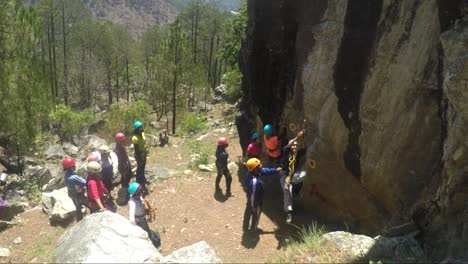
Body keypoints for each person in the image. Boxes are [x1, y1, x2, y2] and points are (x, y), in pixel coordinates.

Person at [242, 158, 282, 232]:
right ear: (255, 169)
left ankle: (245, 226)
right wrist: (254, 206)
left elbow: (265, 171)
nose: (261, 165)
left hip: (250, 199)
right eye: (259, 165)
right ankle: (254, 228)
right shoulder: (255, 182)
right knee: (256, 214)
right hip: (256, 201)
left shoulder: (253, 172)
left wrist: (275, 170)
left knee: (247, 212)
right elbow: (253, 195)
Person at [280, 130, 307, 223]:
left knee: (303, 174)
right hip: (285, 175)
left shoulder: (297, 154)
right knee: (287, 191)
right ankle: (289, 212)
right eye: (293, 145)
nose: (294, 146)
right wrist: (297, 137)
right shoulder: (286, 152)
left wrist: (302, 138)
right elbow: (288, 145)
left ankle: (295, 190)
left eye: (296, 145)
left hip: (293, 175)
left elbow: (305, 148)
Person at [128, 182, 161, 248]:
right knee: (145, 233)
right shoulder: (132, 203)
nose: (141, 193)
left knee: (146, 230)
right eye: (139, 192)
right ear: (134, 194)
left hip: (142, 218)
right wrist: (135, 228)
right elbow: (131, 218)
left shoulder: (139, 197)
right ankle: (152, 245)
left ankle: (151, 240)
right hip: (138, 221)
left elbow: (142, 203)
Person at [132, 121, 148, 190]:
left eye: (142, 127)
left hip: (143, 153)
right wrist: (140, 158)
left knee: (143, 165)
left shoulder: (142, 133)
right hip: (139, 154)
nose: (142, 128)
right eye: (140, 127)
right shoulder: (135, 138)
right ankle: (139, 180)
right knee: (140, 167)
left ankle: (142, 177)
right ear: (137, 129)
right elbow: (136, 150)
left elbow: (144, 139)